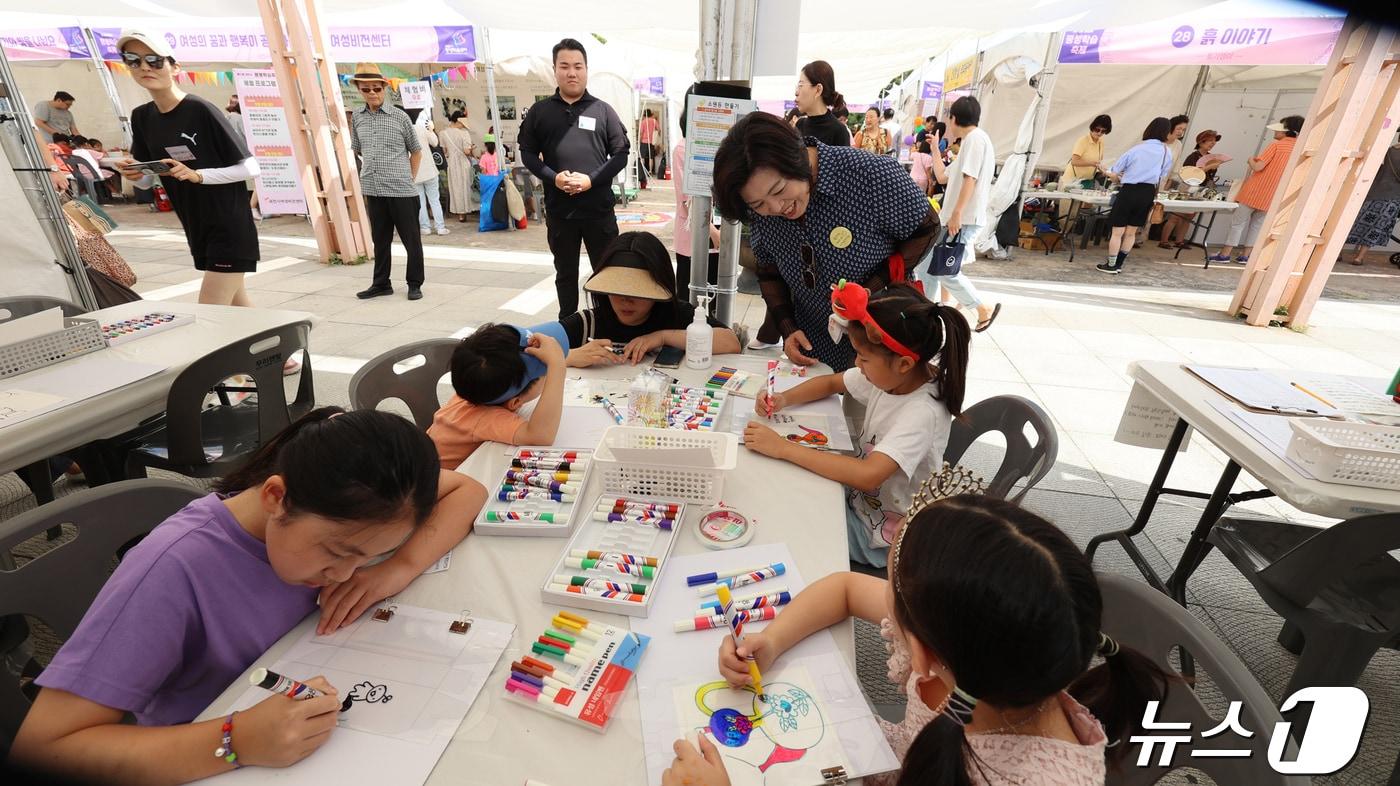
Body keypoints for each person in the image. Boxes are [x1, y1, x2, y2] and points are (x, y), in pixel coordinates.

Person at [10, 407, 488, 784]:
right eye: (337, 552)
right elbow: (45, 749)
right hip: (208, 748)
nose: (344, 574)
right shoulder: (172, 570)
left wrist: (397, 569)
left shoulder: (369, 500)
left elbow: (468, 489)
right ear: (276, 498)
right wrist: (234, 739)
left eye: (367, 557)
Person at [660, 495, 1173, 786]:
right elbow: (842, 588)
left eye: (894, 596)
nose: (887, 600)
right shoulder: (988, 649)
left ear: (921, 653)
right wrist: (770, 642)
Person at [745, 282, 968, 566]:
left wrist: (782, 448)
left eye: (863, 358)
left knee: (784, 520)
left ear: (903, 364)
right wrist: (782, 400)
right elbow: (831, 381)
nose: (857, 364)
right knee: (788, 490)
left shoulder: (922, 412)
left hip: (878, 535)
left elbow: (868, 476)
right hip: (860, 503)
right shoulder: (893, 377)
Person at [711, 112, 940, 371]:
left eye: (778, 190)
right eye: (758, 204)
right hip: (816, 342)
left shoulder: (869, 174)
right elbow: (769, 269)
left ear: (796, 160)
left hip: (884, 339)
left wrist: (871, 287)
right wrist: (788, 328)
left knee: (880, 408)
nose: (776, 207)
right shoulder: (760, 208)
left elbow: (928, 227)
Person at [115, 32, 266, 312]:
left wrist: (199, 175)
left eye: (154, 60)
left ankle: (265, 355)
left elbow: (250, 167)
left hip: (229, 226)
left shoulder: (200, 109)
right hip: (196, 224)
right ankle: (285, 356)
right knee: (240, 307)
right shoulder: (141, 117)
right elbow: (150, 179)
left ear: (175, 67)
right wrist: (136, 175)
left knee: (209, 312)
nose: (145, 67)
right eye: (134, 61)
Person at [519, 38, 630, 320]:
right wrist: (553, 178)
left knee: (607, 272)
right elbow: (528, 154)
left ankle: (608, 323)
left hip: (598, 211)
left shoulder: (603, 110)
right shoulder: (540, 112)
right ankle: (568, 325)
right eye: (565, 66)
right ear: (555, 70)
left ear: (586, 70)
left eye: (578, 66)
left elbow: (620, 154)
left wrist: (591, 180)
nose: (572, 72)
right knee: (565, 273)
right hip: (560, 212)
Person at [560, 232, 740, 367]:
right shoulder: (587, 324)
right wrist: (570, 357)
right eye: (617, 289)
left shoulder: (678, 315)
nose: (626, 300)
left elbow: (731, 343)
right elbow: (533, 347)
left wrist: (662, 337)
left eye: (638, 292)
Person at [428, 323, 569, 469]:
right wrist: (558, 367)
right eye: (545, 374)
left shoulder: (474, 382)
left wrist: (562, 359)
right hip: (437, 485)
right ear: (515, 402)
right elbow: (540, 435)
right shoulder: (484, 418)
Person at [920, 97, 1002, 331]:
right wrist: (935, 149)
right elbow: (944, 176)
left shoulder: (975, 140)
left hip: (962, 220)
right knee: (926, 267)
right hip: (955, 219)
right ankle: (927, 314)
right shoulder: (971, 142)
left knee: (946, 271)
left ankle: (981, 308)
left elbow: (970, 179)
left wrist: (957, 213)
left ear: (955, 118)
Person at [349, 63, 425, 301]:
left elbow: (417, 151)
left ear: (384, 88)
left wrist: (409, 178)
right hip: (373, 188)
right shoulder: (357, 119)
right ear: (360, 91)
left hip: (402, 189)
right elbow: (357, 150)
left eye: (376, 88)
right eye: (366, 89)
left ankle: (414, 283)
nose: (372, 93)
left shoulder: (400, 117)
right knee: (379, 240)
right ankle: (381, 283)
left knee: (411, 241)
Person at [1210, 115, 1303, 265]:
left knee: (1238, 223)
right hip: (1274, 194)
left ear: (1285, 131)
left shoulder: (1276, 145)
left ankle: (1224, 254)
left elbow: (1258, 167)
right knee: (1257, 226)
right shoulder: (1299, 148)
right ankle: (1246, 256)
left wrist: (1250, 160)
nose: (1275, 132)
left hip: (1254, 191)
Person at [1097, 117, 1174, 275]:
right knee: (1131, 232)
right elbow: (1163, 174)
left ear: (1149, 129)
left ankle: (1111, 265)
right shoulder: (1167, 152)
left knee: (1117, 231)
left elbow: (1115, 172)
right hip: (1148, 193)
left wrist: (1104, 170)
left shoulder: (1136, 149)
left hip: (1129, 191)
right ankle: (1119, 264)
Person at [673, 84, 723, 292]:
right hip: (694, 238)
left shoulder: (723, 148)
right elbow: (688, 199)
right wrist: (712, 231)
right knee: (690, 298)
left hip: (718, 233)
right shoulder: (683, 149)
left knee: (715, 296)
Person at [1159, 129, 1224, 249]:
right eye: (1209, 141)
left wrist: (1213, 167)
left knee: (1189, 216)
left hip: (1201, 187)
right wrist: (1210, 166)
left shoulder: (1211, 157)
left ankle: (1180, 241)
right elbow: (1190, 174)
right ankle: (1163, 240)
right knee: (1176, 216)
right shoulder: (1193, 156)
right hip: (1187, 186)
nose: (1212, 143)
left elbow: (1210, 175)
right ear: (1201, 142)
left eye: (1214, 141)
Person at [1344, 131, 1400, 265]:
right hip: (1392, 197)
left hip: (1374, 192)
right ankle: (1359, 257)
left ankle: (1337, 252)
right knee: (1376, 228)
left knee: (1355, 223)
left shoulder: (1389, 151)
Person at [404, 107, 448, 237]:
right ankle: (440, 227)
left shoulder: (404, 131)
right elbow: (435, 143)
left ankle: (425, 228)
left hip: (414, 171)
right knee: (434, 199)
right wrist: (431, 130)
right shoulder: (422, 128)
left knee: (421, 201)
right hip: (429, 170)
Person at [793, 60, 851, 148]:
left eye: (801, 85)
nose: (796, 92)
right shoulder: (799, 124)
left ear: (818, 90)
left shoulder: (839, 131)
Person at [223, 95, 262, 221]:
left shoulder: (225, 118)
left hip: (230, 154)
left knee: (234, 182)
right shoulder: (240, 119)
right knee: (260, 180)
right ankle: (252, 207)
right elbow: (249, 137)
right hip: (245, 153)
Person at [438, 109, 478, 221]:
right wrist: (472, 148)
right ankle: (468, 209)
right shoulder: (464, 134)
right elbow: (466, 152)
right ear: (459, 121)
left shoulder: (442, 133)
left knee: (456, 188)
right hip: (463, 162)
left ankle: (461, 214)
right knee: (466, 186)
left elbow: (445, 151)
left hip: (451, 164)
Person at [1065, 114, 1111, 184]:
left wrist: (1106, 172)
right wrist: (1092, 164)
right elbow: (1074, 161)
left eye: (1103, 131)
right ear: (1092, 127)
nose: (1099, 133)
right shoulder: (1083, 140)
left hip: (1085, 181)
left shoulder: (1101, 142)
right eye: (1097, 130)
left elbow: (1098, 163)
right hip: (1072, 180)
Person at [638, 107, 659, 189]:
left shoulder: (643, 122)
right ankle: (650, 171)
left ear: (644, 114)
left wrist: (639, 141)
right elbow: (659, 129)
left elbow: (641, 132)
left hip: (644, 141)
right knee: (651, 157)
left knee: (642, 157)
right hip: (651, 142)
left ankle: (643, 170)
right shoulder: (654, 121)